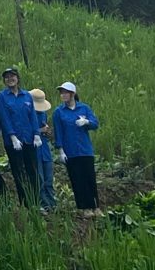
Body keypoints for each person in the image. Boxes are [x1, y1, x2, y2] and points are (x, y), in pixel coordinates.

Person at [53, 81, 101, 217]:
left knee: (89, 177)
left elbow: (95, 124)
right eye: (61, 93)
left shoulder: (84, 108)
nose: (63, 95)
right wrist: (60, 150)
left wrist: (86, 122)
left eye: (65, 92)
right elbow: (59, 132)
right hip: (71, 151)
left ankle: (95, 206)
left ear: (72, 94)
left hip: (85, 149)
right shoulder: (59, 112)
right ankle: (84, 207)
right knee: (77, 179)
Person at [0, 66, 42, 206]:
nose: (10, 79)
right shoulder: (2, 97)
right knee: (19, 173)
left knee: (32, 171)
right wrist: (12, 136)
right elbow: (4, 118)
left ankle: (36, 202)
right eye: (7, 77)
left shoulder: (26, 95)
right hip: (13, 142)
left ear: (18, 78)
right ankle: (25, 203)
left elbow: (32, 116)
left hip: (28, 138)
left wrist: (36, 134)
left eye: (12, 76)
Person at [30, 88, 55, 212]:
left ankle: (52, 204)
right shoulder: (27, 114)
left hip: (45, 148)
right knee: (39, 178)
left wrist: (47, 131)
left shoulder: (43, 113)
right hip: (34, 149)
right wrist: (40, 131)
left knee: (49, 178)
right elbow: (26, 132)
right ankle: (43, 204)